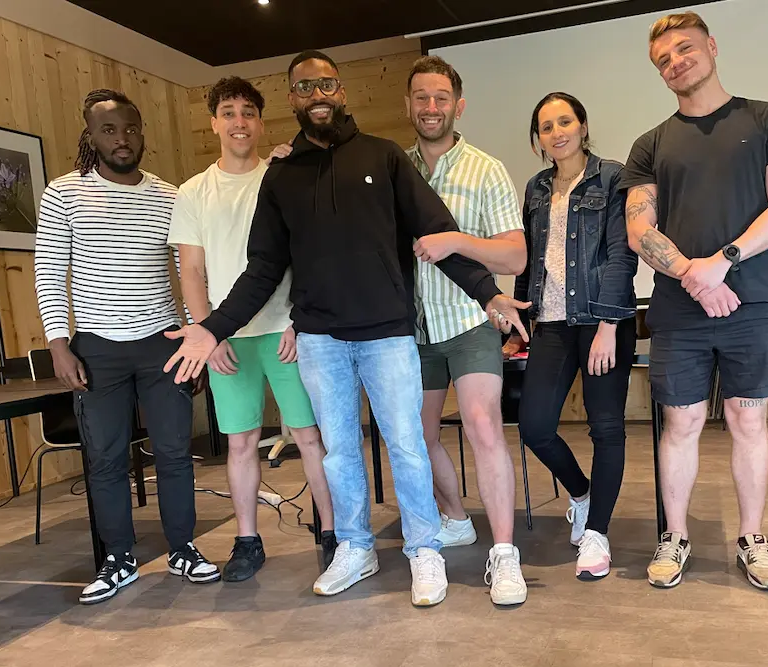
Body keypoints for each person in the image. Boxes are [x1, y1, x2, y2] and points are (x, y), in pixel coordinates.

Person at [162, 51, 530, 607]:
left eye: (326, 84)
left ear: (341, 91)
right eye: (304, 87)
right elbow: (262, 270)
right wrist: (211, 328)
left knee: (406, 445)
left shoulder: (383, 158)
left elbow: (438, 234)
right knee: (338, 451)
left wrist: (487, 292)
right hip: (319, 341)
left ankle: (424, 552)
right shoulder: (281, 176)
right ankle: (354, 548)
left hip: (387, 335)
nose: (317, 94)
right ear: (293, 98)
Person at [618, 12, 768, 590]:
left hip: (754, 301)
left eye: (684, 48)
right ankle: (674, 535)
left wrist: (720, 262)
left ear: (712, 48)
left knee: (747, 419)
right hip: (678, 308)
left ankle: (752, 537)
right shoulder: (650, 144)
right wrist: (692, 275)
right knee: (681, 421)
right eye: (663, 59)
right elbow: (639, 230)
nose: (676, 61)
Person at [34, 89, 220, 605]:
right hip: (96, 347)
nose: (122, 139)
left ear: (143, 133)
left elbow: (187, 272)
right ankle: (118, 558)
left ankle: (184, 548)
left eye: (131, 129)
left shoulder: (168, 195)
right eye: (109, 130)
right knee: (107, 458)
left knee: (176, 453)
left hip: (162, 343)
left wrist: (193, 337)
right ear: (90, 136)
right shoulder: (63, 193)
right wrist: (58, 343)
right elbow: (49, 270)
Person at [167, 77, 337, 583]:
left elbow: (307, 256)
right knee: (240, 443)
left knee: (309, 437)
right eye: (228, 112)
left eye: (248, 112)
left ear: (260, 122)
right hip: (227, 342)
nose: (239, 121)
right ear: (214, 122)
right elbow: (191, 272)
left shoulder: (282, 177)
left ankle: (331, 534)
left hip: (286, 332)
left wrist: (298, 321)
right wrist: (205, 333)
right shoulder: (193, 192)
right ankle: (246, 540)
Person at [404, 56, 528, 606]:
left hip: (471, 321)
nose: (431, 108)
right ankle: (455, 518)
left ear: (459, 105)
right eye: (421, 97)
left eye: (440, 98)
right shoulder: (392, 167)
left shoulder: (486, 168)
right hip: (411, 328)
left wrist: (455, 241)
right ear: (409, 104)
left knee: (482, 426)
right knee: (418, 436)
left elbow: (516, 252)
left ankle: (504, 556)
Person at [504, 92, 638, 582]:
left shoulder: (612, 176)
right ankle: (581, 495)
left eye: (565, 121)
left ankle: (598, 533)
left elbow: (623, 254)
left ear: (582, 125)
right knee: (534, 425)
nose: (557, 132)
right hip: (552, 324)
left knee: (606, 428)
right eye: (546, 126)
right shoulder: (537, 187)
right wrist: (520, 318)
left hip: (603, 321)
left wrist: (608, 325)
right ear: (538, 138)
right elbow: (528, 256)